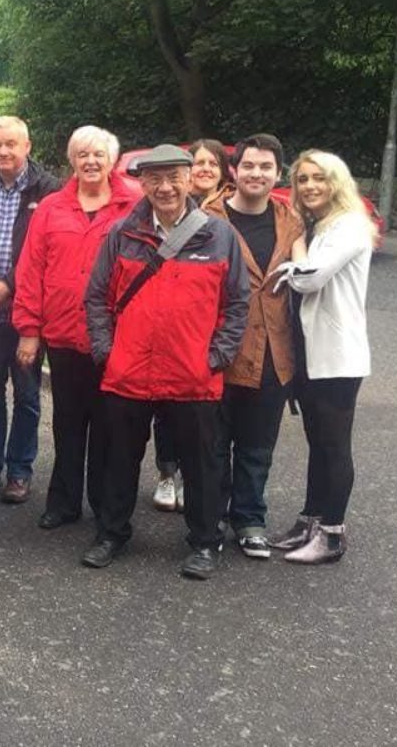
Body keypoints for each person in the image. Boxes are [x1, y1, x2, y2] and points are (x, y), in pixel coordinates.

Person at [82, 144, 249, 580]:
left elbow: (237, 304)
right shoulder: (122, 233)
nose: (165, 186)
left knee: (202, 465)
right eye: (154, 178)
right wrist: (106, 351)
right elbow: (97, 297)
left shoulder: (218, 235)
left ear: (191, 178)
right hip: (129, 370)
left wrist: (217, 356)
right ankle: (111, 533)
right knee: (118, 459)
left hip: (192, 373)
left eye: (174, 176)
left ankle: (205, 543)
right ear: (142, 183)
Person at [12, 126, 139, 530]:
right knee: (67, 422)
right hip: (62, 334)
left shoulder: (134, 205)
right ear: (72, 160)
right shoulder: (51, 207)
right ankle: (64, 502)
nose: (90, 161)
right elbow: (30, 269)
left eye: (98, 154)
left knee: (108, 424)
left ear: (112, 160)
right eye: (82, 154)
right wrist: (29, 330)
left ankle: (104, 502)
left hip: (113, 337)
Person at [201, 134, 303, 559]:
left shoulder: (289, 220)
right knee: (214, 442)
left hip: (273, 354)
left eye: (265, 167)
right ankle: (211, 518)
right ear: (233, 171)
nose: (256, 174)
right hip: (220, 350)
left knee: (258, 445)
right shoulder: (208, 218)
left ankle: (249, 519)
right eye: (248, 166)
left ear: (277, 173)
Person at [270, 149, 374, 564]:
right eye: (303, 179)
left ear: (337, 183)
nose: (311, 186)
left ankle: (332, 533)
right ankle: (311, 519)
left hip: (339, 357)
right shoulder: (321, 226)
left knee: (333, 444)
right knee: (317, 442)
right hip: (311, 355)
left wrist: (292, 251)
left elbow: (310, 278)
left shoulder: (350, 226)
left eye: (320, 178)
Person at [0, 115, 60, 503]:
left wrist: (7, 286)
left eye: (10, 144)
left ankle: (19, 471)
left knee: (26, 396)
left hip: (24, 316)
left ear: (27, 146)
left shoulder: (47, 190)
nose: (3, 151)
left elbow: (43, 254)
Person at [151, 136, 234, 510]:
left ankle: (199, 494)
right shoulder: (154, 212)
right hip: (157, 341)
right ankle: (168, 473)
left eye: (210, 164)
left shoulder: (222, 220)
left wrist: (220, 351)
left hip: (203, 343)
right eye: (198, 163)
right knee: (166, 416)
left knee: (204, 424)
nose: (204, 170)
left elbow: (236, 293)